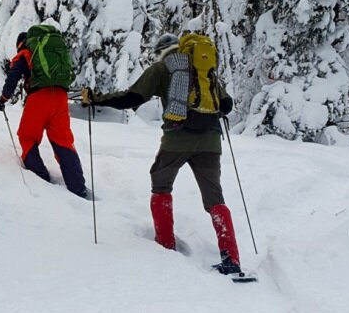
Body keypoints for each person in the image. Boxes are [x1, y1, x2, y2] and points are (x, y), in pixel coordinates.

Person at [80, 33, 243, 275]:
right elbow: (226, 104)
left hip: (177, 140)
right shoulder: (204, 68)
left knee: (161, 183)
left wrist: (96, 100)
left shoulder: (162, 68)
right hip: (210, 141)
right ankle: (231, 259)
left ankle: (165, 244)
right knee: (215, 198)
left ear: (161, 52)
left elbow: (132, 98)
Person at [0, 30, 89, 198]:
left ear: (20, 44)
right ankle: (78, 187)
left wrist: (3, 98)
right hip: (60, 99)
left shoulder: (25, 53)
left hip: (39, 99)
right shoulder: (51, 54)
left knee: (27, 136)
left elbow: (13, 76)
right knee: (64, 141)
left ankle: (39, 177)